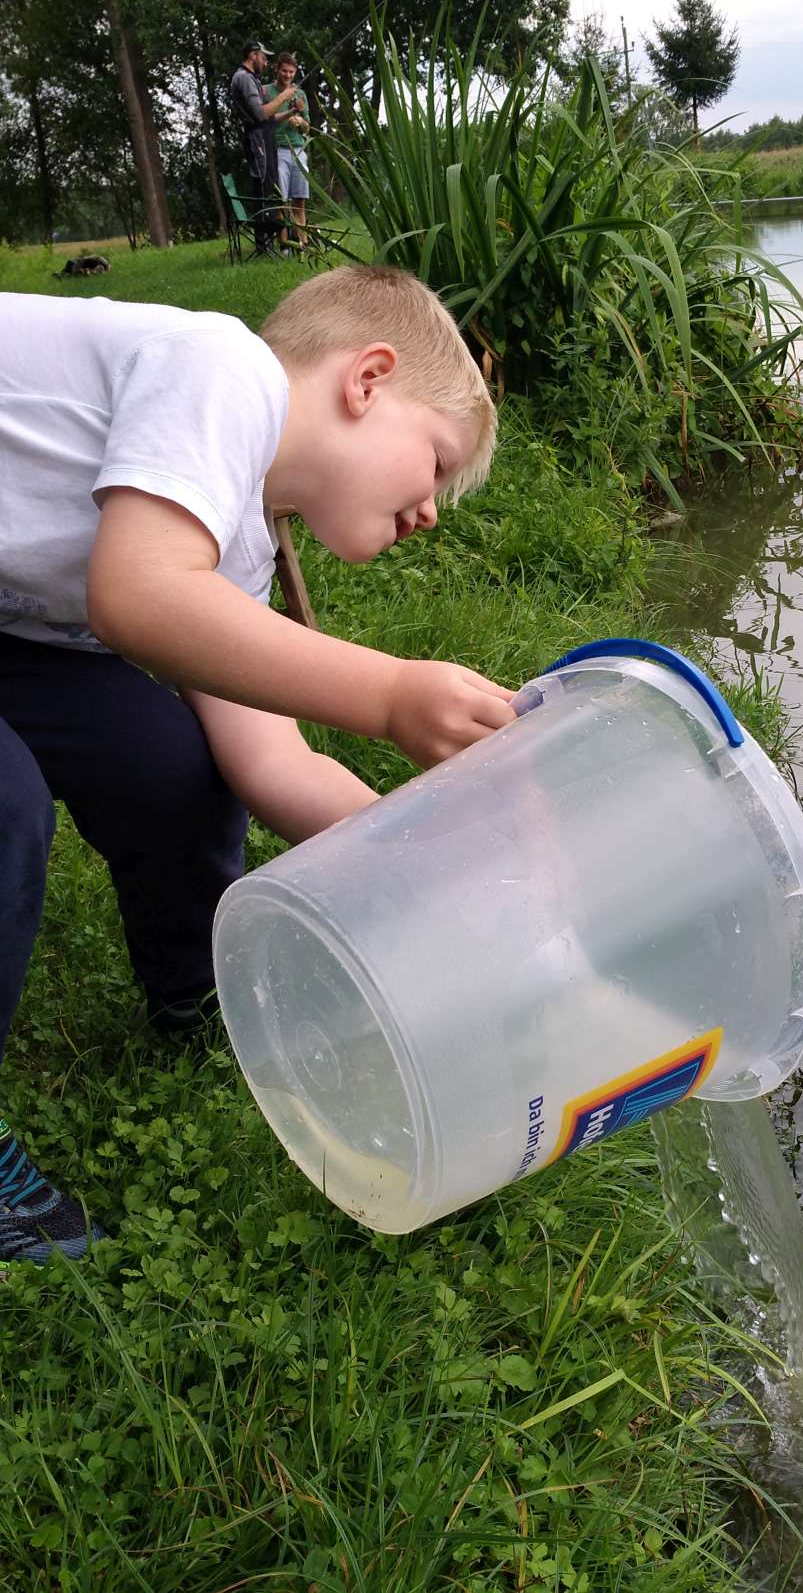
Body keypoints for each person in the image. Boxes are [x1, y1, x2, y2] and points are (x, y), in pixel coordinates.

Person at [0, 265, 510, 1266]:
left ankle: (193, 994)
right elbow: (137, 596)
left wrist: (429, 854)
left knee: (172, 766)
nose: (430, 511)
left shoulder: (235, 549)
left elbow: (269, 760)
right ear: (367, 378)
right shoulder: (222, 368)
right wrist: (392, 695)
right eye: (438, 463)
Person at [228, 40, 301, 255]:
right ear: (253, 55)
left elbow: (268, 119)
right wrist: (284, 96)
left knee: (270, 189)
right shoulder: (243, 78)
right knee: (263, 190)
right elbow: (261, 114)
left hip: (264, 137)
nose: (266, 61)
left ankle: (268, 245)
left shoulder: (251, 78)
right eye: (264, 57)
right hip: (257, 141)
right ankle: (264, 247)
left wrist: (291, 112)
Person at [272, 51, 310, 251]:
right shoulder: (266, 91)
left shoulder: (300, 94)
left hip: (299, 150)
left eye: (291, 72)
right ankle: (285, 246)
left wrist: (300, 121)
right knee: (282, 201)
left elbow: (307, 128)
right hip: (278, 150)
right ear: (277, 69)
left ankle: (303, 244)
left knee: (299, 199)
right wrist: (290, 112)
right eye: (284, 71)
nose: (287, 75)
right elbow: (264, 118)